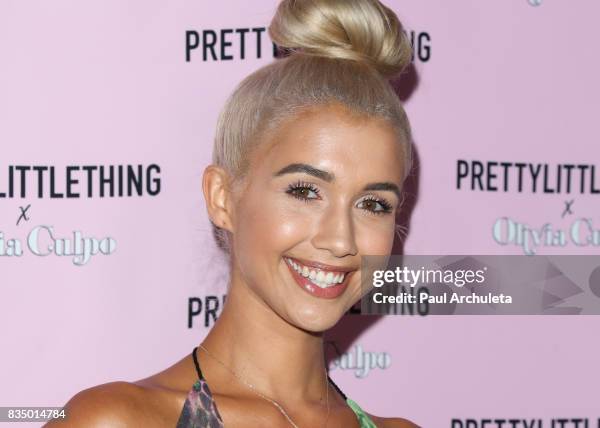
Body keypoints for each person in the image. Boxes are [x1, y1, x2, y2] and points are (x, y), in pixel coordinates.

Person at [46, 0, 418, 426]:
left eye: (373, 204)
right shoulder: (118, 420)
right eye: (305, 191)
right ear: (223, 198)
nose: (340, 240)